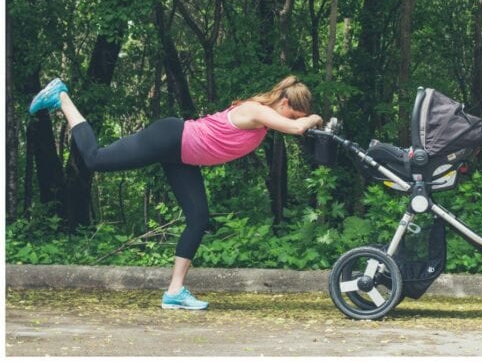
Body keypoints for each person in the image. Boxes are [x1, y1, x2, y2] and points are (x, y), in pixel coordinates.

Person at [28, 75, 323, 310]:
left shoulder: (263, 122)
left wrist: (306, 122)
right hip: (171, 138)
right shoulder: (257, 110)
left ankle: (174, 292)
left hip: (183, 156)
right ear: (284, 102)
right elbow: (296, 128)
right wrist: (314, 119)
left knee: (198, 218)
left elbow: (292, 126)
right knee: (95, 158)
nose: (295, 118)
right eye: (294, 112)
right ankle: (62, 96)